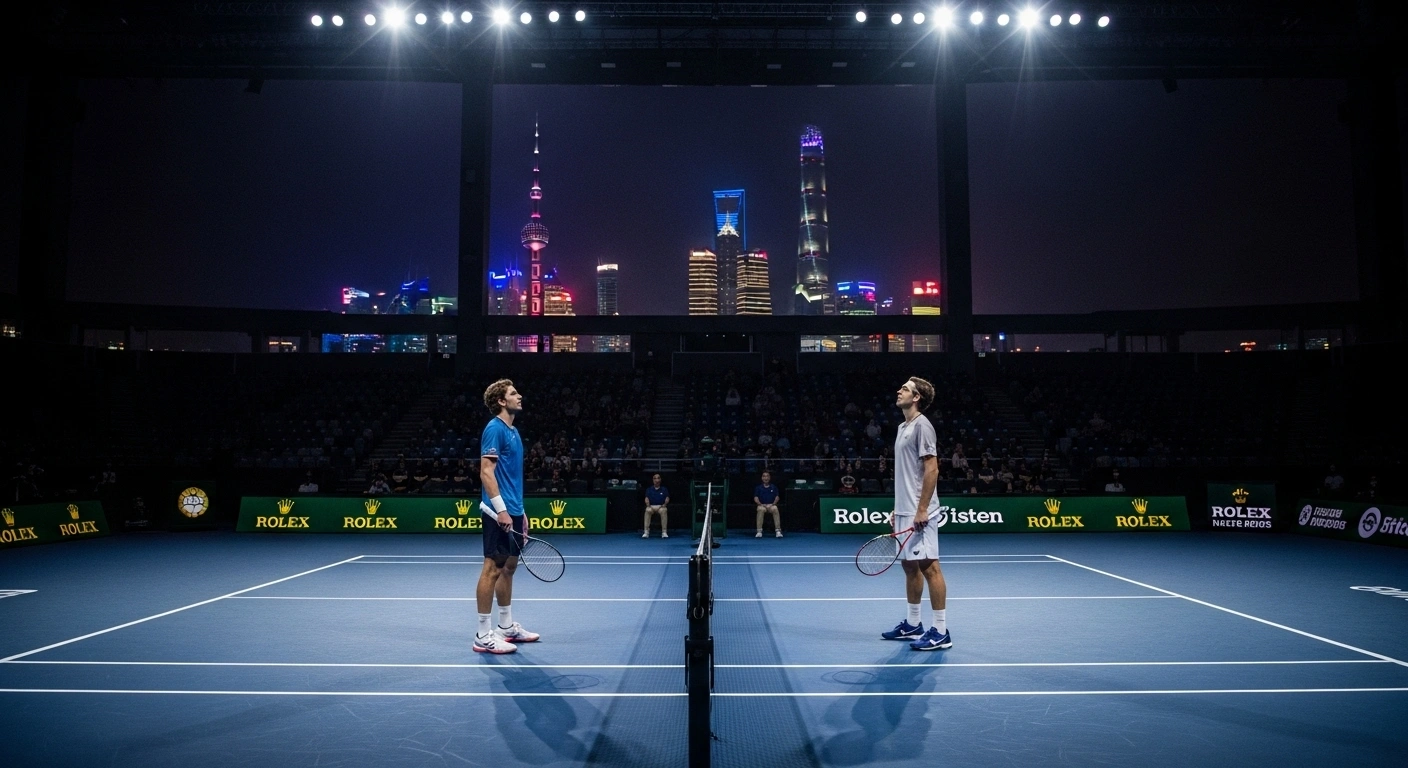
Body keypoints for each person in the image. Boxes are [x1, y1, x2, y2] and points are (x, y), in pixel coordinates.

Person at [880, 376, 952, 652]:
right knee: (909, 565)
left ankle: (941, 631)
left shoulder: (923, 426)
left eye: (905, 389)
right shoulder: (903, 427)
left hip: (922, 510)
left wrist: (922, 509)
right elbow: (908, 474)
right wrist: (898, 509)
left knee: (929, 566)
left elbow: (932, 469)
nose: (899, 391)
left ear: (917, 397)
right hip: (905, 509)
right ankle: (913, 624)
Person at [475, 379, 540, 655]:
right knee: (492, 567)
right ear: (501, 401)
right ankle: (482, 634)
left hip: (513, 508)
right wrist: (501, 509)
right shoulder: (494, 429)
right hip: (496, 509)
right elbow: (486, 472)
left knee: (509, 567)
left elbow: (512, 477)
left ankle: (505, 627)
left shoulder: (514, 432)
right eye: (514, 393)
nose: (519, 395)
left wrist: (519, 511)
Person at [754, 470, 782, 538]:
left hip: (771, 505)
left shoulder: (774, 487)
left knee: (775, 508)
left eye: (767, 476)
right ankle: (759, 531)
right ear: (762, 478)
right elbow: (755, 498)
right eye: (764, 476)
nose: (766, 478)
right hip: (762, 505)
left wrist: (772, 504)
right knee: (760, 509)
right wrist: (761, 504)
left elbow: (777, 497)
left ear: (769, 478)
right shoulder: (758, 488)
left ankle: (778, 531)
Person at [643, 473, 670, 538]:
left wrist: (665, 504)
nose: (656, 480)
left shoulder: (664, 489)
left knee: (664, 510)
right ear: (653, 480)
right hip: (651, 507)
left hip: (661, 507)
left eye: (658, 478)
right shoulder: (649, 489)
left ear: (660, 480)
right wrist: (647, 503)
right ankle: (646, 532)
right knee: (647, 510)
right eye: (655, 478)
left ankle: (664, 532)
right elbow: (646, 498)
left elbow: (667, 498)